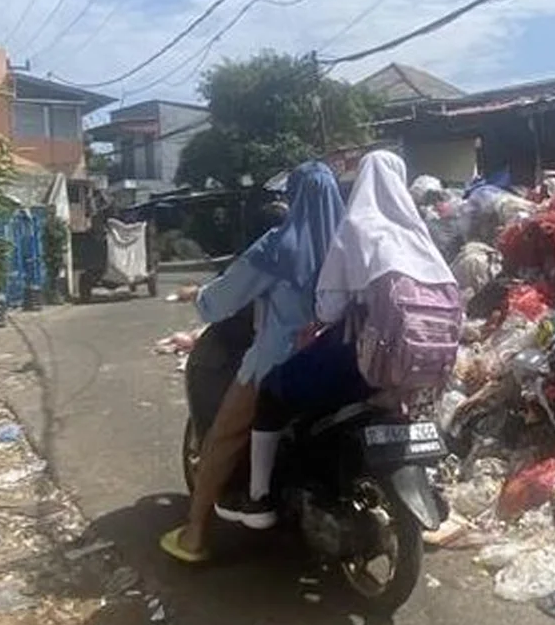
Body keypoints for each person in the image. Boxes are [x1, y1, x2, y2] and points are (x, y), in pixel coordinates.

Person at [234, 150, 458, 523]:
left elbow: (329, 308)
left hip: (363, 361)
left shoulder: (359, 226)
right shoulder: (420, 234)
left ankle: (259, 497)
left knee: (273, 389)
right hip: (420, 368)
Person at [159, 164, 344, 563]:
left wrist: (199, 296)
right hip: (337, 364)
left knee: (221, 440)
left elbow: (224, 299)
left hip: (276, 364)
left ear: (293, 198)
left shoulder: (280, 245)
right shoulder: (352, 244)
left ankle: (193, 536)